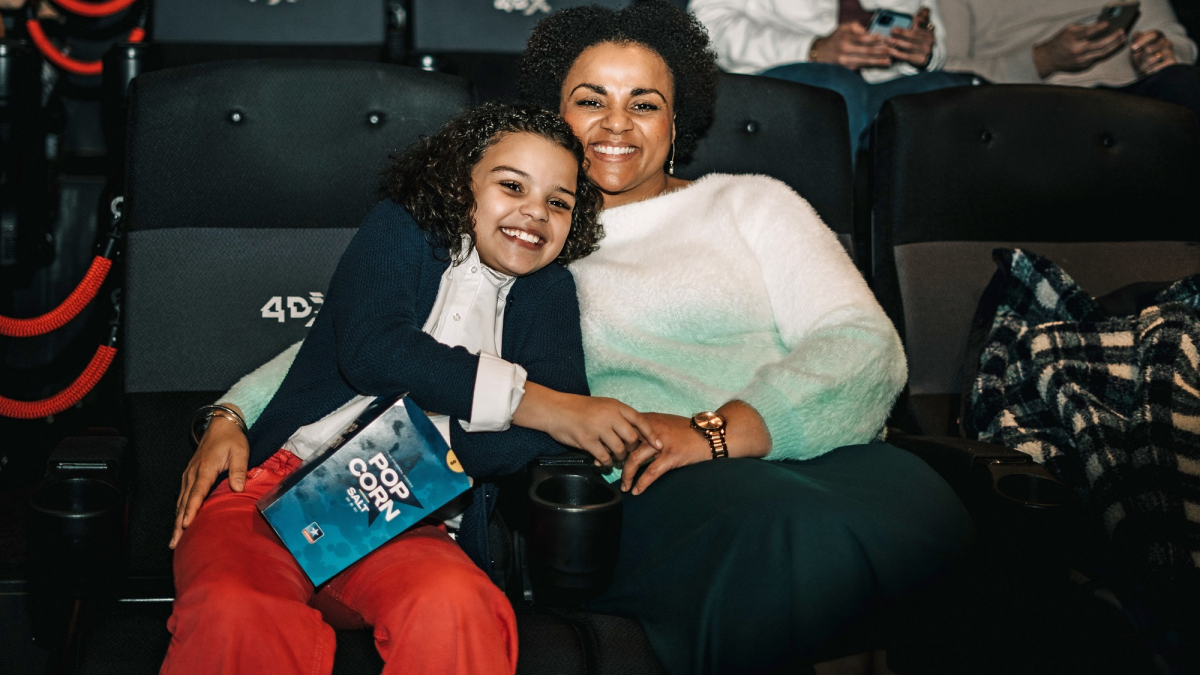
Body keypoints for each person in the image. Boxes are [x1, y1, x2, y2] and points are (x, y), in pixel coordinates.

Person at [177, 3, 975, 672]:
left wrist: (716, 431)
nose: (616, 124)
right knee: (790, 540)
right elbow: (371, 333)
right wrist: (236, 411)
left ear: (679, 119)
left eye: (645, 103)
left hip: (810, 452)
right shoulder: (527, 234)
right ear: (552, 114)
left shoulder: (753, 203)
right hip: (645, 487)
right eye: (590, 99)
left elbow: (867, 347)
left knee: (943, 523)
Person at [162, 102, 666, 675]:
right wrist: (528, 403)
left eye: (558, 202)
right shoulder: (403, 230)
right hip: (272, 488)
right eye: (511, 185)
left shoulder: (549, 293)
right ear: (460, 185)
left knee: (458, 605)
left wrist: (444, 442)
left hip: (408, 518)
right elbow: (373, 350)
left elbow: (548, 438)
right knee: (238, 610)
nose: (534, 213)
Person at [690, 0, 979, 155]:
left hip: (878, 85)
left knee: (954, 90)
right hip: (778, 77)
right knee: (837, 89)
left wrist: (923, 53)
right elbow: (707, 27)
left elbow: (934, 38)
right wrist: (812, 49)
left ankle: (925, 255)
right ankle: (835, 245)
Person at [939, 0, 1200, 121]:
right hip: (1022, 102)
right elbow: (947, 70)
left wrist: (1160, 55)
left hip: (1127, 97)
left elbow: (1175, 39)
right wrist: (1042, 60)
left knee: (1182, 82)